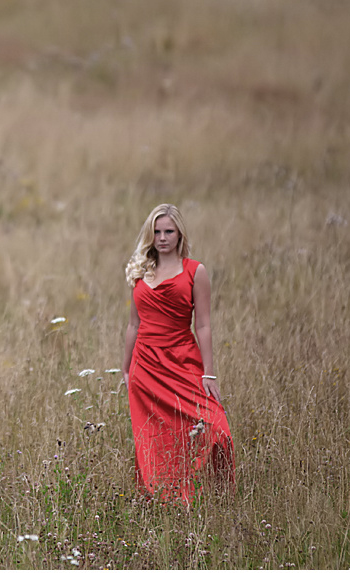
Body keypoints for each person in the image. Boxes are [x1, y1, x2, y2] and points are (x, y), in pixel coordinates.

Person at [121, 204, 234, 503]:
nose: (162, 238)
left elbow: (204, 325)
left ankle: (218, 496)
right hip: (145, 366)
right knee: (155, 435)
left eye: (168, 231)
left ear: (179, 233)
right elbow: (133, 324)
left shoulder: (195, 271)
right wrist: (125, 370)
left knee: (217, 427)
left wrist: (208, 373)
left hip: (183, 360)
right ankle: (163, 498)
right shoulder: (140, 270)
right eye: (156, 232)